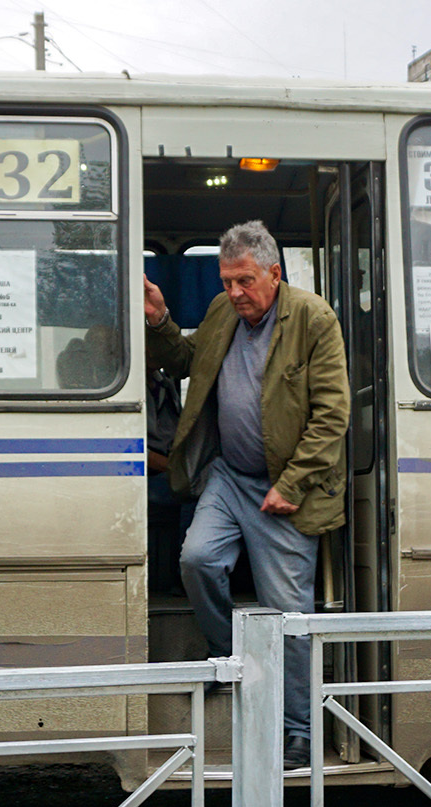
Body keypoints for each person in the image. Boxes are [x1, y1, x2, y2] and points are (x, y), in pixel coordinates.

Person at [143, 221, 350, 770]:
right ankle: (229, 653)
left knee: (289, 614)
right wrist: (162, 321)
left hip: (286, 487)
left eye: (245, 281)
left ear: (274, 274)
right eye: (227, 281)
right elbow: (187, 362)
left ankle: (300, 730)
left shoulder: (313, 318)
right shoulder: (221, 312)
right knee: (197, 559)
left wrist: (292, 483)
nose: (235, 293)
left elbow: (333, 415)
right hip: (229, 478)